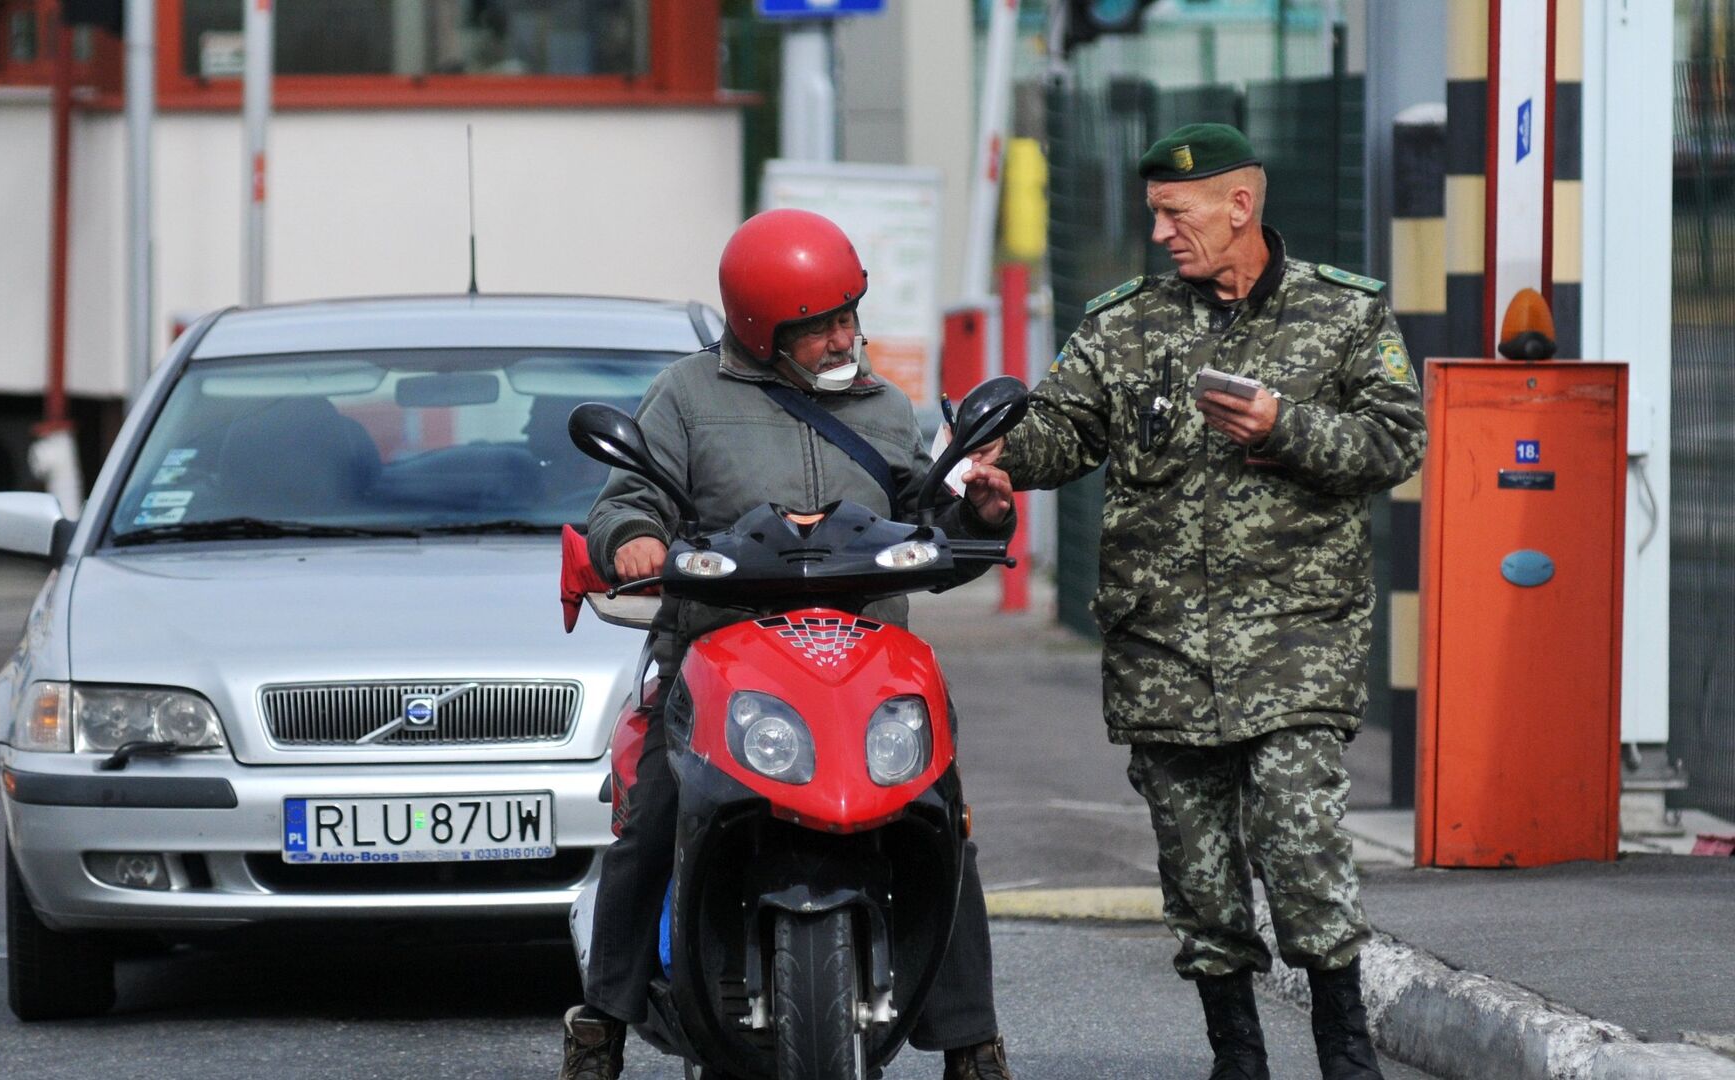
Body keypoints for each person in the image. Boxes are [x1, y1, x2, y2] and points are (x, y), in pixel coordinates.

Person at [966, 123, 1426, 1080]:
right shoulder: (1128, 324)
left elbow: (1396, 444)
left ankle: (1346, 1051)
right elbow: (1064, 428)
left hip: (1297, 642)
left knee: (1300, 845)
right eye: (1156, 217)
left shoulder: (1344, 316)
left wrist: (1284, 424)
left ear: (1240, 206)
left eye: (1178, 214)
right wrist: (1002, 466)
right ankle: (1237, 1057)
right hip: (1163, 647)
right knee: (1200, 873)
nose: (1164, 234)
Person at [558, 208, 1018, 1080]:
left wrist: (979, 513)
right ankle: (602, 1023)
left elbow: (925, 528)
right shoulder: (686, 398)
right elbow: (627, 500)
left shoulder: (884, 408)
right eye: (824, 325)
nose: (848, 335)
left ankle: (972, 1040)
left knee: (942, 820)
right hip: (720, 652)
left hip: (867, 659)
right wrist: (634, 542)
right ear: (765, 331)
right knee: (651, 820)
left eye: (850, 313)